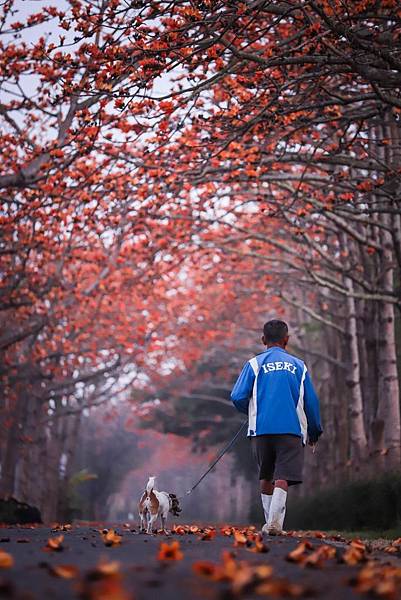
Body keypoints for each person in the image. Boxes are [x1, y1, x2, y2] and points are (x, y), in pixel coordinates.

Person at [230, 319, 323, 535]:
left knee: (266, 475)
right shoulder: (299, 366)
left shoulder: (254, 364)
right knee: (283, 476)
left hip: (261, 430)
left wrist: (252, 411)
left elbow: (237, 396)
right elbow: (311, 402)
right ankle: (275, 524)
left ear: (263, 340)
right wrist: (315, 431)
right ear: (287, 340)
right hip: (291, 430)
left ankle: (269, 523)